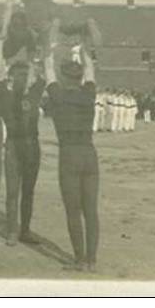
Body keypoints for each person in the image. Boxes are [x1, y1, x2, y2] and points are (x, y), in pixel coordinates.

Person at [44, 45, 100, 272]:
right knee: (91, 210)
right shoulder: (89, 94)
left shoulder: (58, 96)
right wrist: (86, 49)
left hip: (69, 154)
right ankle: (92, 260)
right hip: (89, 153)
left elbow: (47, 67)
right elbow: (91, 71)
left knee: (73, 210)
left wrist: (49, 46)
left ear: (63, 77)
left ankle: (80, 259)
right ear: (80, 78)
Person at [0, 38, 46, 246]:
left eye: (25, 75)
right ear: (11, 78)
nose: (23, 79)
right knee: (12, 192)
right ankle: (12, 231)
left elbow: (41, 73)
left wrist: (35, 54)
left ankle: (25, 230)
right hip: (14, 147)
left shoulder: (34, 93)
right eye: (19, 75)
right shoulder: (5, 96)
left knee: (29, 191)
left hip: (32, 146)